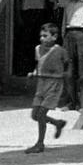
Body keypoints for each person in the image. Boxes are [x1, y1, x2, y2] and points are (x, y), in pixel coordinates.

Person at [25, 23, 68, 154]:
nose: (42, 38)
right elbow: (39, 64)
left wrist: (64, 78)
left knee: (42, 114)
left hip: (54, 84)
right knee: (34, 115)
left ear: (54, 37)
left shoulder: (60, 51)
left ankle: (39, 144)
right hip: (41, 83)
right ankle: (57, 123)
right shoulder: (38, 49)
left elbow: (67, 65)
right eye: (41, 36)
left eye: (45, 36)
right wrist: (33, 73)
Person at [13, 0, 49, 74]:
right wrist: (18, 16)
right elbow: (17, 0)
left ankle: (39, 68)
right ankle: (26, 69)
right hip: (27, 14)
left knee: (40, 41)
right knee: (26, 42)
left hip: (40, 14)